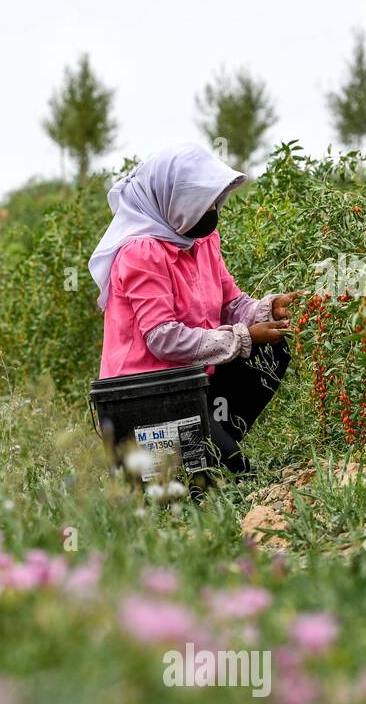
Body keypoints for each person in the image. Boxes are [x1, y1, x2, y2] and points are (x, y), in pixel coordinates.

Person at [89, 143, 298, 473]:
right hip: (144, 396)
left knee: (271, 350)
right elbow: (164, 339)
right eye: (204, 201)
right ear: (172, 201)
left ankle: (209, 448)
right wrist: (243, 337)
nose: (213, 208)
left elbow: (232, 304)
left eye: (214, 200)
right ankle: (198, 458)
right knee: (237, 474)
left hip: (190, 381)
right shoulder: (141, 253)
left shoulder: (200, 242)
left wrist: (268, 310)